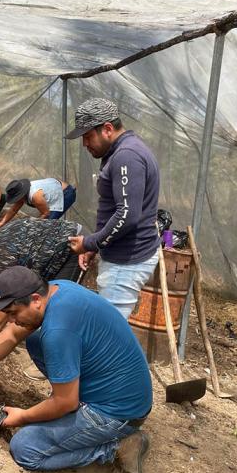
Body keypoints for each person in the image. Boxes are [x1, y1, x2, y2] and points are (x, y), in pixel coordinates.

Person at [0, 267, 152, 473]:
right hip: (123, 390)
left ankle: (115, 448)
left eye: (13, 312)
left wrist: (22, 416)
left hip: (117, 414)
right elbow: (11, 333)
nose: (10, 320)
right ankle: (72, 397)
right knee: (34, 340)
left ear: (36, 299)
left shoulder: (58, 331)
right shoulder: (57, 289)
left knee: (25, 449)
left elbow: (65, 403)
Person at [66, 98, 160, 319]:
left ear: (107, 128)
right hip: (122, 255)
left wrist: (89, 242)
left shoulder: (126, 156)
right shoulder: (123, 152)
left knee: (107, 334)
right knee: (108, 329)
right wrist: (96, 246)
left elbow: (127, 215)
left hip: (126, 261)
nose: (84, 144)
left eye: (88, 136)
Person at [0, 218, 82, 344]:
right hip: (66, 235)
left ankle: (59, 340)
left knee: (56, 300)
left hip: (71, 245)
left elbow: (9, 296)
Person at [0, 178, 76, 227]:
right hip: (55, 189)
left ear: (21, 194)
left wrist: (33, 225)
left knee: (48, 224)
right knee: (43, 224)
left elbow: (46, 213)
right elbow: (13, 210)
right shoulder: (23, 194)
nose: (16, 201)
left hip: (65, 193)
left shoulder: (35, 196)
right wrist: (2, 223)